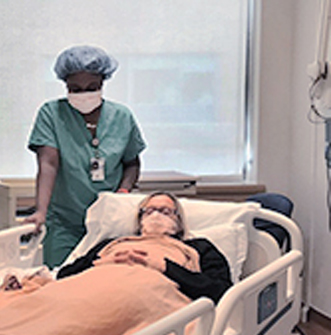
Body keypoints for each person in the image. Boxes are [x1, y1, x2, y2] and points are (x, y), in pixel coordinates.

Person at [27, 45, 147, 268]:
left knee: (104, 283)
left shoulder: (122, 116)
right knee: (61, 279)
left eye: (92, 87)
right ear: (65, 85)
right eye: (76, 88)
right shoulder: (52, 114)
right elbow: (48, 163)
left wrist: (123, 192)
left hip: (110, 221)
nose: (84, 94)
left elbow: (132, 163)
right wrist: (40, 211)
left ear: (103, 83)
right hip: (65, 220)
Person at [57, 192, 233, 303]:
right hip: (90, 293)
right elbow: (63, 276)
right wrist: (100, 262)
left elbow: (221, 290)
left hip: (141, 298)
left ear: (178, 222)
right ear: (140, 220)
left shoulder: (198, 247)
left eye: (165, 211)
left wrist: (165, 267)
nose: (156, 215)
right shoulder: (113, 243)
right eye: (149, 211)